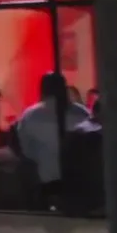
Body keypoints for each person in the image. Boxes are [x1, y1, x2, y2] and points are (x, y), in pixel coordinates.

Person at [16, 72, 89, 208]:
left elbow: (26, 150)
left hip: (46, 181)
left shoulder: (30, 115)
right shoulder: (82, 113)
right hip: (79, 181)